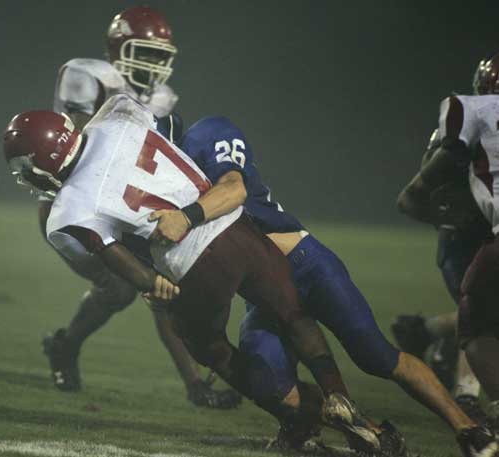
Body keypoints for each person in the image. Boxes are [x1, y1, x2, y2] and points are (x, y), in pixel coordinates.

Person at [3, 94, 383, 451]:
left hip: (193, 262)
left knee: (211, 349)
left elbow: (112, 253)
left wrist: (152, 283)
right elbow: (168, 128)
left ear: (42, 165)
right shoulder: (116, 115)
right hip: (235, 226)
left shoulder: (67, 210)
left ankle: (294, 419)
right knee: (292, 311)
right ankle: (339, 394)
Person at [141, 114, 498, 456]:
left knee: (376, 355)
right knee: (266, 377)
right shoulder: (155, 189)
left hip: (305, 265)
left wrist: (186, 217)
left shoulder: (206, 134)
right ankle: (354, 430)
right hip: (262, 293)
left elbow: (234, 189)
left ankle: (468, 429)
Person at [38, 6, 240, 409]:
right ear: (118, 48)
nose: (151, 64)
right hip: (79, 204)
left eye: (157, 55)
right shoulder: (90, 76)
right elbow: (79, 141)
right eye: (143, 52)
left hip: (131, 208)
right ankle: (65, 346)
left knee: (160, 283)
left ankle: (194, 385)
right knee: (122, 286)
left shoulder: (164, 102)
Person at [394, 51, 499, 431]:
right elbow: (428, 180)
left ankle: (423, 331)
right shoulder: (466, 125)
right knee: (482, 322)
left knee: (482, 319)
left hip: (484, 233)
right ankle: (467, 395)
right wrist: (451, 215)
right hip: (464, 236)